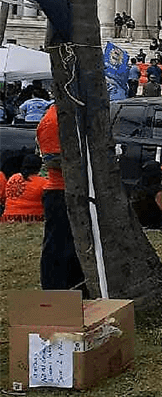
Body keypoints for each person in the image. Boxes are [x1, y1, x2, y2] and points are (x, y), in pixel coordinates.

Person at [35, 105, 85, 292]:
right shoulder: (53, 121)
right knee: (58, 245)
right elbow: (53, 160)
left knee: (72, 246)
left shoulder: (71, 115)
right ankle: (54, 289)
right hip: (60, 191)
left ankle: (73, 286)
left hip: (72, 190)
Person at [3, 153, 46, 222]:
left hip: (8, 218)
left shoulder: (13, 178)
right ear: (39, 167)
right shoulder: (43, 182)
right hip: (32, 218)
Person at [131, 161, 162, 229]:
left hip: (137, 223)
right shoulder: (158, 191)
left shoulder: (137, 187)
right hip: (153, 224)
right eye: (161, 172)